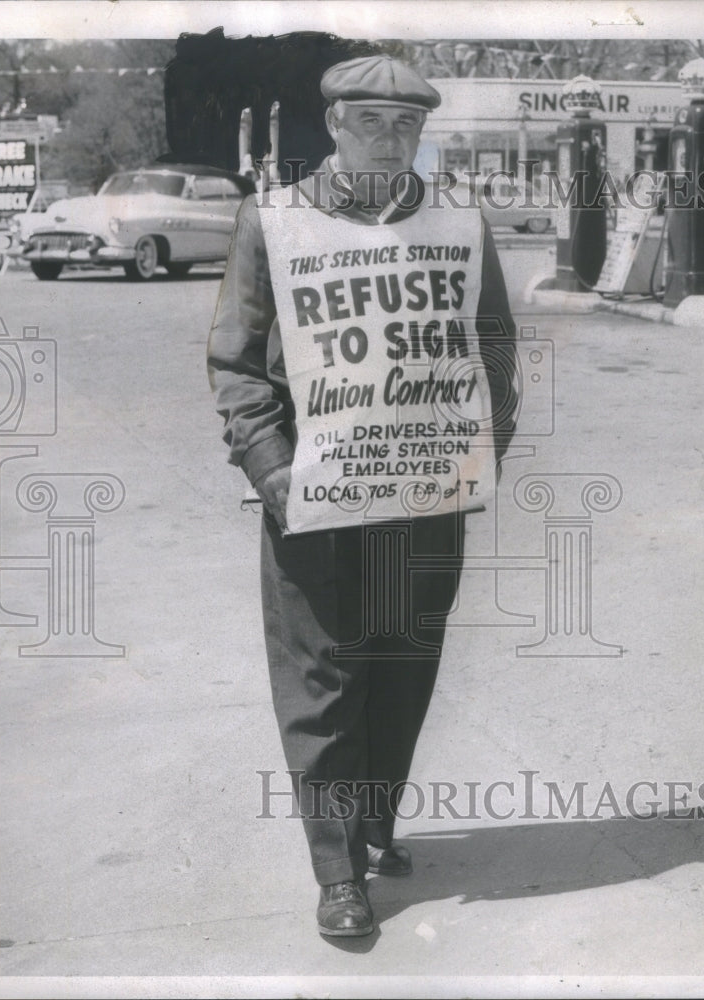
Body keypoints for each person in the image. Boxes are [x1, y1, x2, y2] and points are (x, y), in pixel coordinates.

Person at [207, 54, 518, 937]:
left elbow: (492, 347)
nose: (392, 138)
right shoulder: (274, 220)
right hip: (314, 494)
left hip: (423, 493)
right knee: (322, 678)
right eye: (373, 122)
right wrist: (270, 468)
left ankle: (374, 820)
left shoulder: (457, 223)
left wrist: (477, 454)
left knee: (402, 665)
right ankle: (338, 872)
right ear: (334, 127)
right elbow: (236, 361)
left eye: (408, 125)